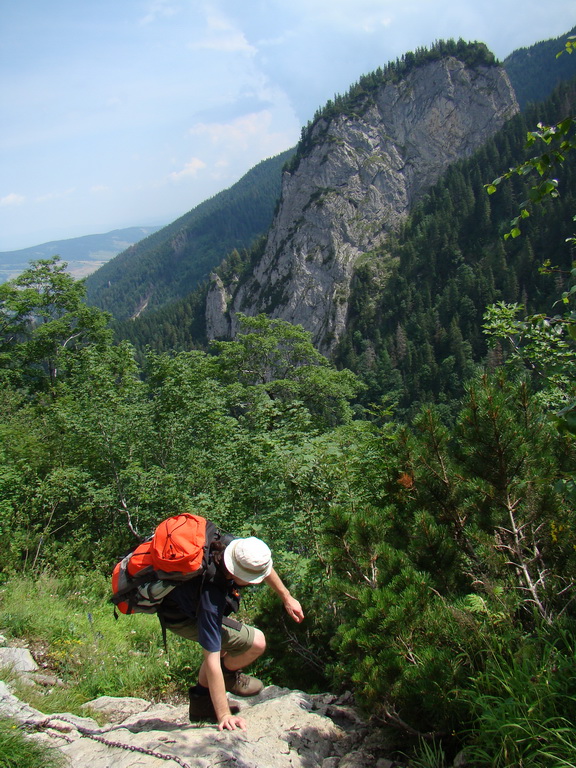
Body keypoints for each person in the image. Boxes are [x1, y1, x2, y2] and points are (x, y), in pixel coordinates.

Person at [158, 534, 304, 731]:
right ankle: (212, 693)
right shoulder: (210, 596)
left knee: (228, 645)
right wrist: (224, 715)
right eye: (253, 579)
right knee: (256, 643)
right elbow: (211, 657)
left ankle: (203, 702)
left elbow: (259, 564)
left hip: (186, 605)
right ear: (240, 575)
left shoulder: (229, 547)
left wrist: (286, 597)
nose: (256, 582)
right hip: (181, 618)